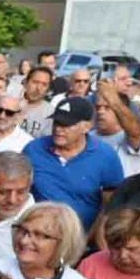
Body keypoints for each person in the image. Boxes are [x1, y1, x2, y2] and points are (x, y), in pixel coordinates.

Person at [23, 97, 123, 230]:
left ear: (86, 127)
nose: (59, 129)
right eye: (56, 123)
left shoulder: (105, 156)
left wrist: (92, 238)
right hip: (38, 232)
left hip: (84, 237)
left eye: (67, 125)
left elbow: (110, 206)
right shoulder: (34, 150)